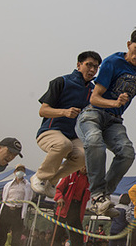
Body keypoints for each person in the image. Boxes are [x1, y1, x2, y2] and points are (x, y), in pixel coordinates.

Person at [77, 29, 136, 216]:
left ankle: (103, 197)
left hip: (114, 122)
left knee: (127, 153)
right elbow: (95, 98)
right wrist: (114, 102)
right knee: (95, 141)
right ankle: (96, 194)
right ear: (129, 45)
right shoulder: (113, 62)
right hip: (93, 114)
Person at [32, 51, 102, 199]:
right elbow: (43, 111)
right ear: (78, 65)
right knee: (63, 145)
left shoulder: (93, 90)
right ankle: (39, 176)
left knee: (86, 155)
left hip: (74, 136)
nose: (92, 70)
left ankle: (51, 181)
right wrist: (64, 112)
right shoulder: (61, 82)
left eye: (96, 67)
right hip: (50, 131)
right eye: (89, 65)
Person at [50, 168, 90, 246]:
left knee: (77, 234)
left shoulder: (89, 179)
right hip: (63, 206)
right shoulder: (69, 174)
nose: (85, 168)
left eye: (87, 165)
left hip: (77, 207)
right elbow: (58, 189)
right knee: (58, 233)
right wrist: (59, 197)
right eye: (83, 164)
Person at [0, 164, 30, 246]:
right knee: (2, 233)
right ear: (14, 172)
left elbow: (29, 198)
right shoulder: (8, 184)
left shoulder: (27, 185)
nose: (20, 172)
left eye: (22, 170)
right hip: (7, 209)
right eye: (18, 170)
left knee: (16, 235)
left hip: (18, 210)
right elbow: (4, 196)